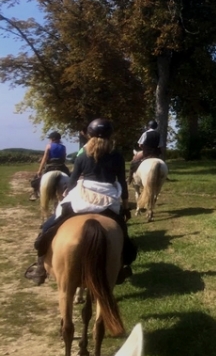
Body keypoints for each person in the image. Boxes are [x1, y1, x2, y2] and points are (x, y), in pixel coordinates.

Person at [25, 117, 137, 286]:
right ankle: (122, 267)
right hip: (109, 198)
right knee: (122, 232)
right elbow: (122, 182)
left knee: (50, 225)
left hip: (82, 194)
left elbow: (73, 180)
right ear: (110, 135)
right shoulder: (117, 156)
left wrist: (66, 194)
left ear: (89, 134)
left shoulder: (83, 154)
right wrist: (126, 204)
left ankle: (40, 268)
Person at [30, 131, 71, 199]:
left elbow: (45, 158)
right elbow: (64, 158)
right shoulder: (63, 147)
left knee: (37, 179)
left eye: (50, 138)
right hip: (61, 166)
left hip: (50, 166)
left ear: (53, 139)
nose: (49, 140)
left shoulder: (48, 145)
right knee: (70, 178)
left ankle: (35, 193)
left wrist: (39, 170)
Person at [128, 119, 162, 184]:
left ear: (148, 126)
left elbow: (140, 144)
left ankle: (130, 178)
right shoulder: (158, 134)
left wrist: (143, 148)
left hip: (146, 153)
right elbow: (160, 146)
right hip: (156, 154)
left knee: (134, 161)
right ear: (156, 127)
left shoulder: (145, 133)